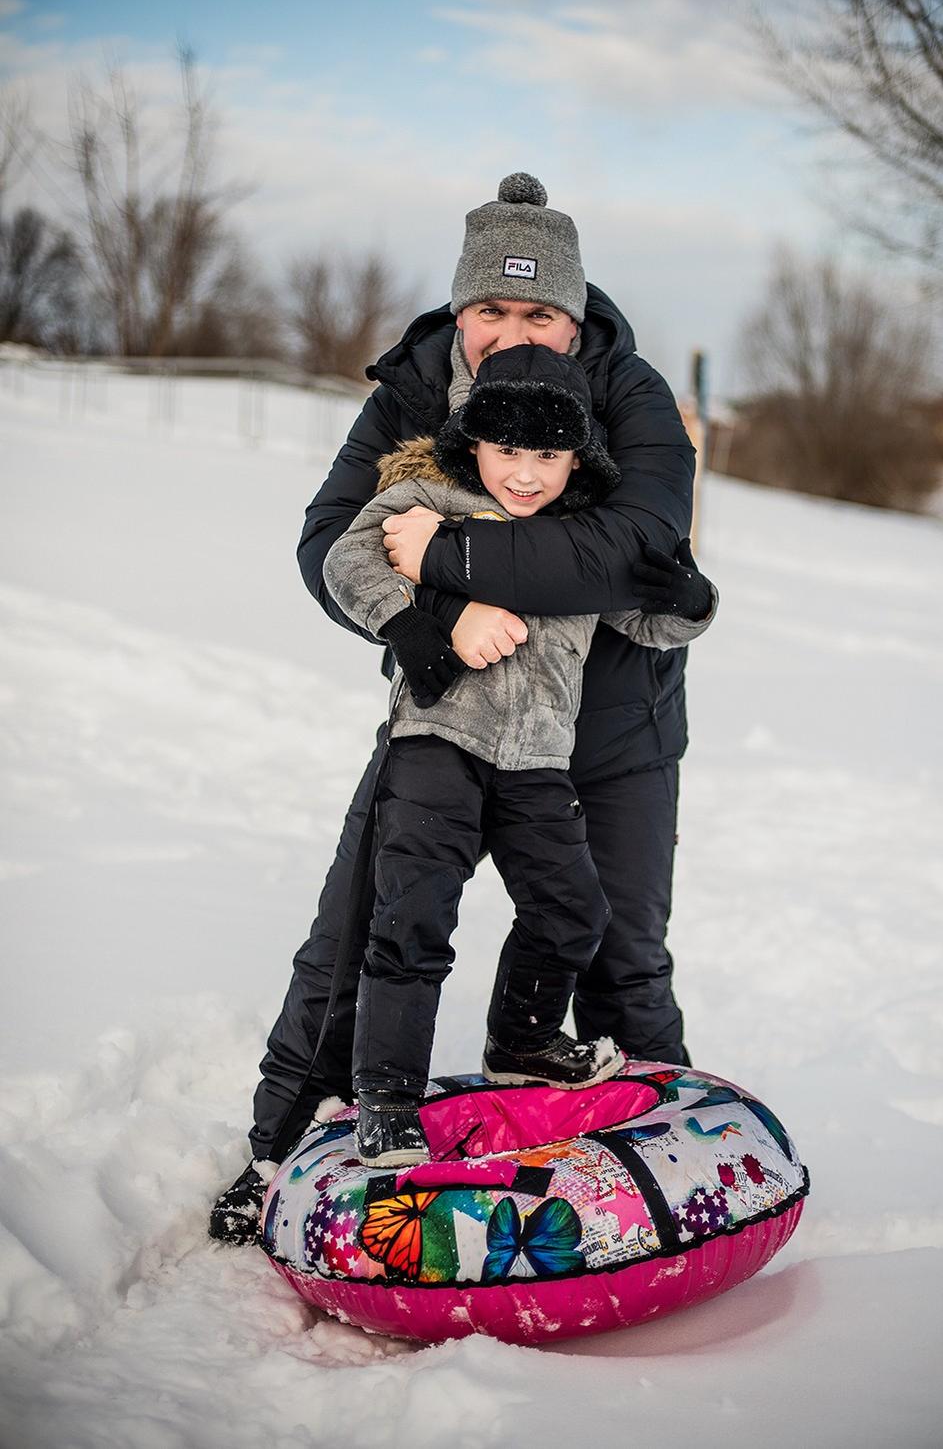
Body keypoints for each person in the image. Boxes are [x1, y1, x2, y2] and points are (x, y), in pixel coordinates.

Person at [209, 172, 703, 1239]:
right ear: (460, 306)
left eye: (537, 311)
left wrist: (449, 551)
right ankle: (281, 1143)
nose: (507, 330)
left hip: (612, 722)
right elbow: (329, 539)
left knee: (614, 946)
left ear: (576, 316)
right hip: (449, 712)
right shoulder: (412, 386)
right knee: (356, 931)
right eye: (491, 307)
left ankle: (667, 1161)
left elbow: (635, 547)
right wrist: (415, 621)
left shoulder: (633, 393)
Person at [321, 343, 716, 1166]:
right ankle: (388, 1094)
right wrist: (409, 623)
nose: (527, 474)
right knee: (413, 916)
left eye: (549, 454)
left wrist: (690, 600)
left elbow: (647, 620)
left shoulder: (584, 539)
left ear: (579, 456)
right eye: (508, 450)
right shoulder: (429, 497)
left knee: (577, 909)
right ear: (475, 444)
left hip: (538, 760)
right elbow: (346, 559)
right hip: (438, 744)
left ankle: (523, 1038)